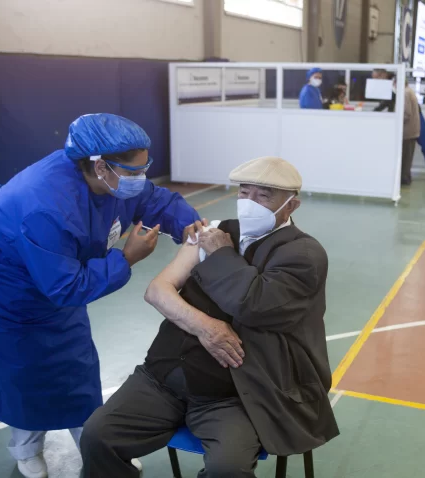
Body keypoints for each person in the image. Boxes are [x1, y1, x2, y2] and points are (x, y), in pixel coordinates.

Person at [0, 113, 202, 478]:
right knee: (22, 375)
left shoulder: (110, 180)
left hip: (55, 273)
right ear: (100, 165)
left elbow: (155, 200)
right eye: (133, 171)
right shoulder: (44, 205)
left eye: (144, 168)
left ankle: (95, 443)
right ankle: (26, 450)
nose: (140, 178)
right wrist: (126, 258)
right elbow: (67, 287)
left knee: (76, 364)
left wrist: (193, 227)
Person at [80, 157, 339, 478]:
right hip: (162, 378)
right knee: (97, 436)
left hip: (233, 395)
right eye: (245, 192)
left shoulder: (303, 255)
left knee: (227, 470)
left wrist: (219, 253)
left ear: (291, 205)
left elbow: (254, 305)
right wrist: (206, 328)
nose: (250, 203)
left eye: (264, 196)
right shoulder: (214, 230)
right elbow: (158, 290)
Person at [398, 77, 421, 185]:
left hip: (407, 131)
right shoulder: (409, 91)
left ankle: (404, 179)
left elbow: (406, 113)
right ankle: (406, 177)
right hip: (412, 130)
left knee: (406, 157)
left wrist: (396, 121)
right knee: (408, 157)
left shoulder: (405, 93)